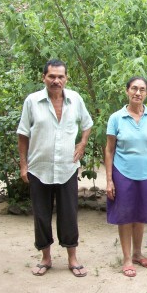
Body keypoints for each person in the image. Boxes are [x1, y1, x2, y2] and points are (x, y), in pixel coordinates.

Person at [17, 59, 93, 277]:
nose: (56, 80)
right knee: (41, 215)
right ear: (44, 78)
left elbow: (87, 124)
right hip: (38, 168)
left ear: (66, 78)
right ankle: (46, 258)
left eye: (60, 76)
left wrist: (82, 143)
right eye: (52, 76)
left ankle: (73, 258)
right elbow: (23, 134)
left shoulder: (75, 100)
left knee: (69, 214)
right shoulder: (32, 101)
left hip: (67, 168)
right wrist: (23, 165)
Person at [104, 76, 147, 277]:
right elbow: (109, 150)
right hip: (122, 172)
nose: (137, 93)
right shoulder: (116, 118)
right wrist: (109, 179)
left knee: (140, 213)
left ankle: (138, 254)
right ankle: (127, 259)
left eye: (142, 89)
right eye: (133, 88)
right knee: (125, 216)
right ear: (127, 91)